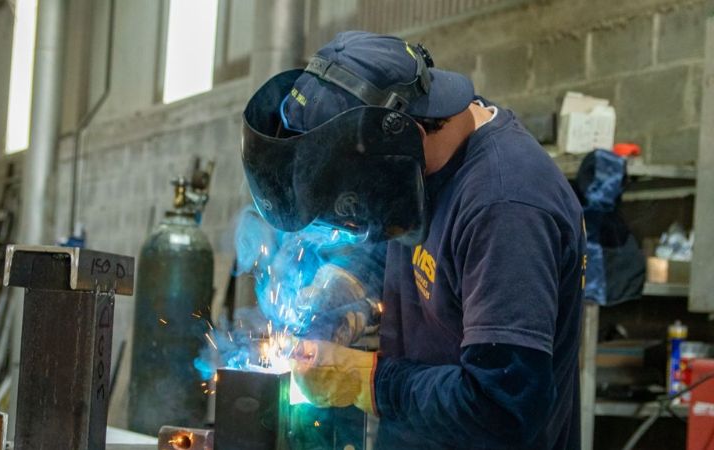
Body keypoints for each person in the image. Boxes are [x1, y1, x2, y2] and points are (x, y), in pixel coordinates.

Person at [241, 30, 586, 449]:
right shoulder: (423, 165)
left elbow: (503, 406)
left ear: (404, 138)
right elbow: (394, 236)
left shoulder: (506, 206)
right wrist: (336, 297)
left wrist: (364, 380)